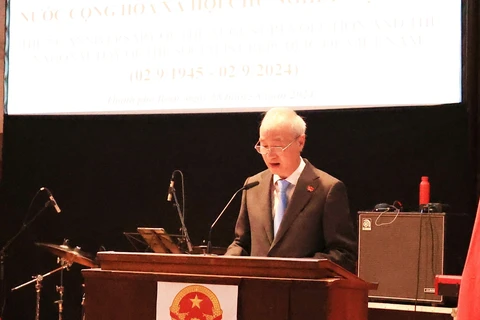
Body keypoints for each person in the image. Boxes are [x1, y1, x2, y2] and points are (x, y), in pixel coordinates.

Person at [224, 107, 358, 273]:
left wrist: (297, 269)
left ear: (300, 142)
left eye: (278, 147)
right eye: (264, 146)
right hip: (257, 291)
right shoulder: (253, 185)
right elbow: (242, 244)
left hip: (304, 291)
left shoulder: (327, 189)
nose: (270, 155)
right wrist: (223, 265)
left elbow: (343, 253)